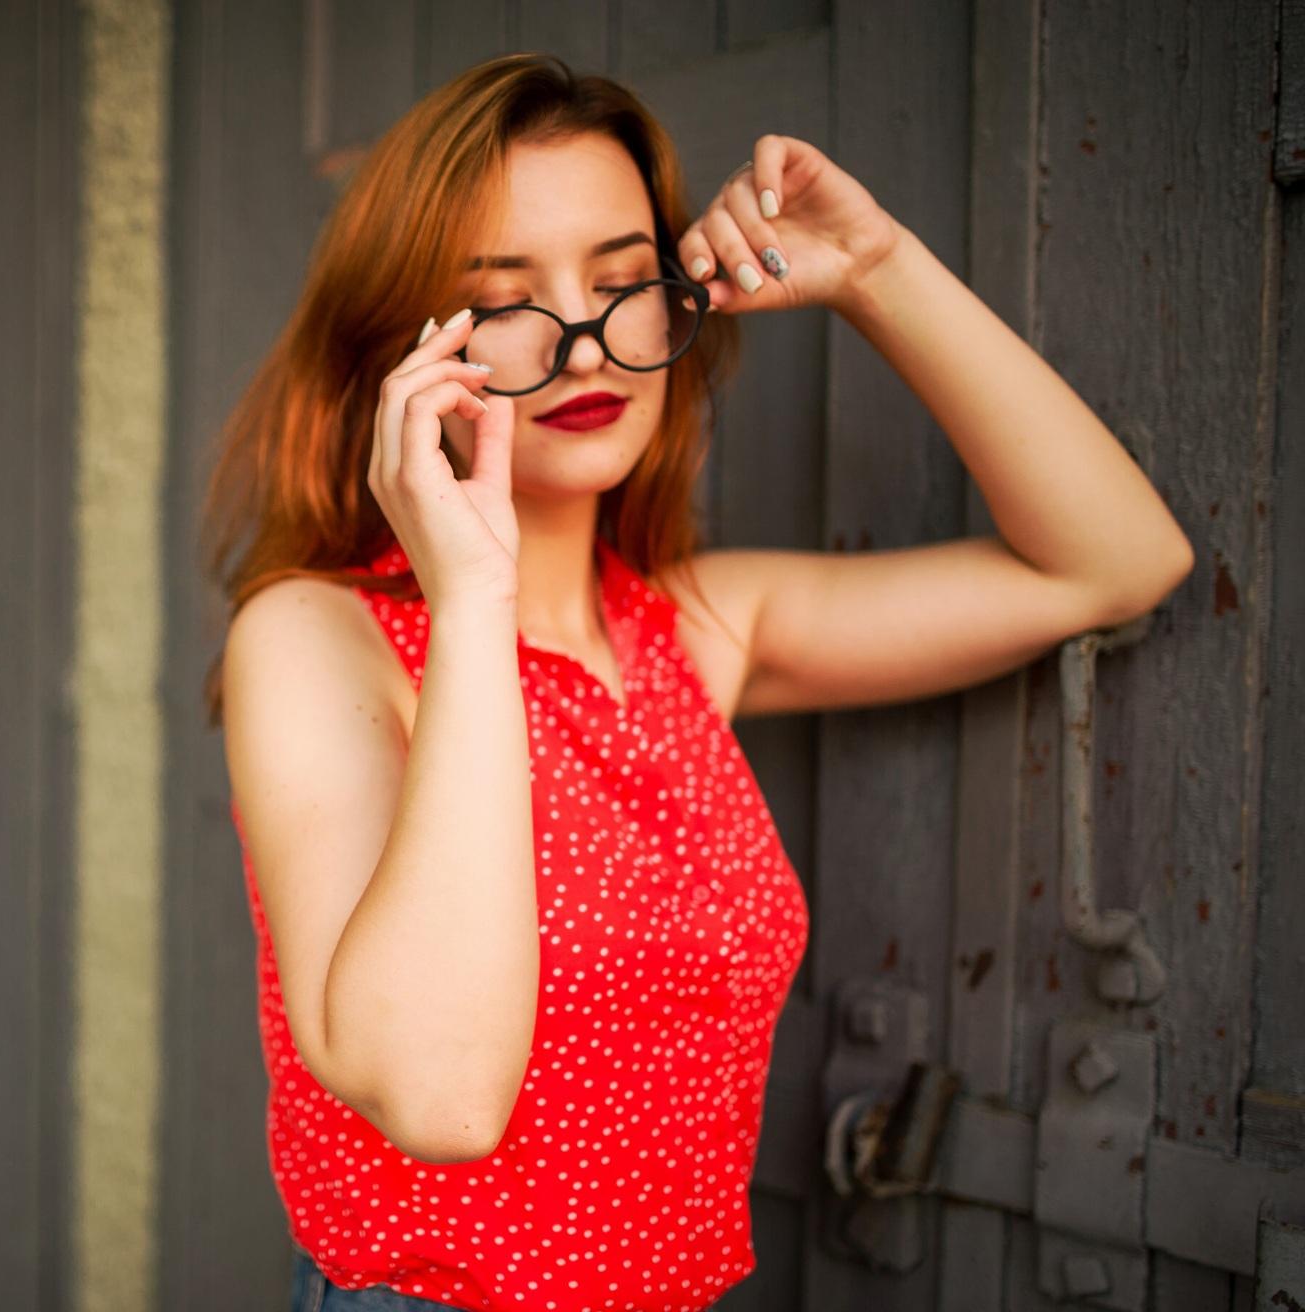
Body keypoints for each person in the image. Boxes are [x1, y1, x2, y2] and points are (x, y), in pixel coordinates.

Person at [202, 53, 1192, 1312]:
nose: (583, 347)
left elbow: (1114, 562)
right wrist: (475, 600)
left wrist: (876, 273)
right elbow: (439, 1098)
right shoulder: (317, 636)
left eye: (622, 283)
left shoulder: (690, 629)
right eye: (501, 300)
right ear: (399, 354)